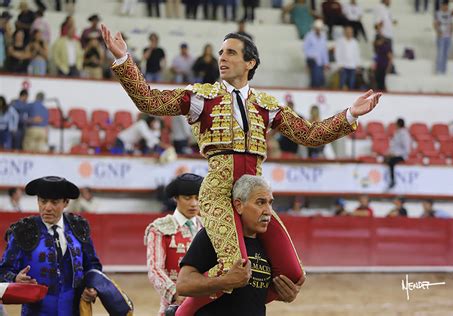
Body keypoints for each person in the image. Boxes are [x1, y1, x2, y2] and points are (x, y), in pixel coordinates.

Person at [101, 24, 381, 313]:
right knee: (234, 268)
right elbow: (149, 101)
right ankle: (181, 313)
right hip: (220, 194)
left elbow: (308, 134)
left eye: (231, 53)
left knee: (293, 273)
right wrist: (124, 60)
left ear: (250, 63)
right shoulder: (201, 97)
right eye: (221, 52)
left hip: (254, 196)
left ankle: (250, 302)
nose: (222, 58)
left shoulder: (267, 105)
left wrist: (350, 114)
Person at [175, 175, 305, 315]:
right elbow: (183, 284)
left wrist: (285, 295)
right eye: (260, 202)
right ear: (239, 205)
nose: (268, 211)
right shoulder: (213, 236)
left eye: (270, 203)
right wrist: (224, 281)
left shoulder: (268, 245)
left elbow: (253, 295)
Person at [0, 176, 103, 315]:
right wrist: (15, 279)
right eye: (43, 201)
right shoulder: (23, 230)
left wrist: (92, 286)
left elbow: (93, 266)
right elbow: (3, 271)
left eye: (54, 202)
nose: (47, 207)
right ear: (37, 201)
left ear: (66, 203)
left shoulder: (78, 227)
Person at [145, 173, 204, 316]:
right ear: (176, 198)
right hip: (174, 306)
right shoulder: (160, 228)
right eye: (187, 198)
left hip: (206, 305)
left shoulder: (207, 227)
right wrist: (176, 293)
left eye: (197, 198)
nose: (194, 203)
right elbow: (155, 269)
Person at [384, 118, 411, 189]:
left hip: (402, 156)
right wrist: (389, 153)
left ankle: (393, 180)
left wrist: (395, 154)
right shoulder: (397, 133)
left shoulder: (404, 134)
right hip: (395, 154)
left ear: (398, 124)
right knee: (385, 159)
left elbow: (406, 149)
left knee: (391, 162)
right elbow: (394, 146)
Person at [303, 19, 330, 88]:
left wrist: (326, 63)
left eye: (319, 28)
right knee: (315, 77)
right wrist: (311, 56)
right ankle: (313, 88)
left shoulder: (323, 36)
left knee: (320, 79)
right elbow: (305, 48)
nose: (318, 30)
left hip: (320, 61)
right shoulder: (309, 36)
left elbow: (324, 50)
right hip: (312, 59)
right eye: (317, 28)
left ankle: (314, 88)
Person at [434, 1, 452, 74]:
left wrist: (451, 34)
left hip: (448, 36)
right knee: (440, 54)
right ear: (442, 6)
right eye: (444, 6)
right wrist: (438, 32)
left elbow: (451, 24)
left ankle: (444, 70)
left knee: (445, 54)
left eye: (446, 6)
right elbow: (435, 24)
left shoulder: (449, 13)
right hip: (441, 36)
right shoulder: (438, 13)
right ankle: (438, 70)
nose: (445, 7)